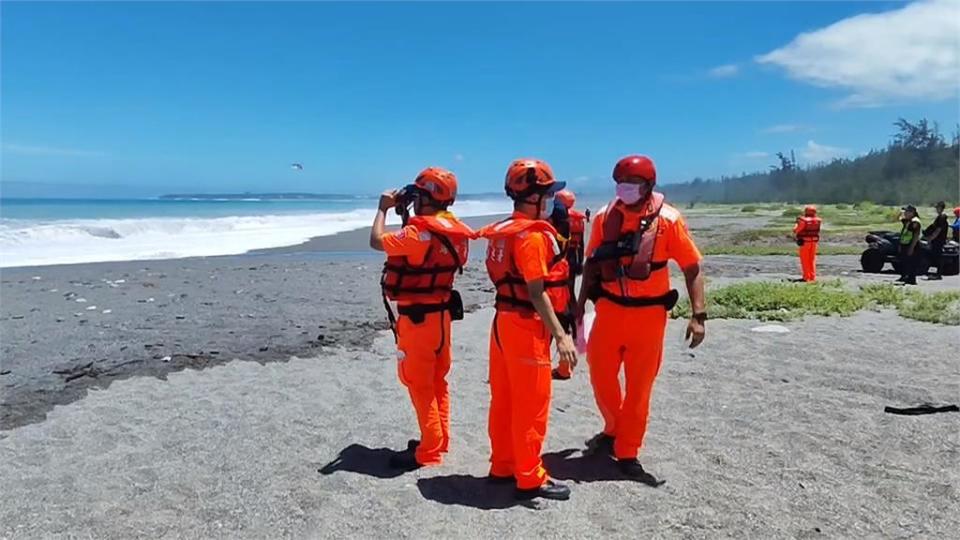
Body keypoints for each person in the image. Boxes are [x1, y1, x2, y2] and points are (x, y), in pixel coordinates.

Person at [577, 154, 706, 481]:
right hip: (608, 310)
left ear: (648, 186)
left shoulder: (669, 221)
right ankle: (613, 428)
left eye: (632, 184)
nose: (625, 189)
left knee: (639, 389)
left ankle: (628, 450)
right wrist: (578, 306)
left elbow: (691, 267)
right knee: (600, 376)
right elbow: (592, 263)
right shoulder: (605, 217)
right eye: (621, 183)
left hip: (648, 318)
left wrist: (698, 315)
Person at [478, 158, 578, 501]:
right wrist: (562, 337)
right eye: (548, 194)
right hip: (525, 326)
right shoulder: (533, 237)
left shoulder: (503, 232)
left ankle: (502, 466)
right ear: (534, 197)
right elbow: (537, 293)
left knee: (503, 399)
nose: (551, 200)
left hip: (501, 322)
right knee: (532, 404)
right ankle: (529, 477)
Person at [369, 167, 475, 470]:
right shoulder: (454, 229)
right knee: (438, 379)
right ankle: (439, 439)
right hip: (442, 317)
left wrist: (382, 209)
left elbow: (376, 241)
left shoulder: (418, 234)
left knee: (419, 383)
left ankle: (428, 449)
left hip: (418, 321)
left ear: (425, 197)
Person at [551, 189, 588, 380]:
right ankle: (577, 329)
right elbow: (580, 243)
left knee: (555, 313)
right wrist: (580, 263)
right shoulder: (577, 219)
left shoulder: (553, 219)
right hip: (571, 262)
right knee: (569, 299)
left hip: (558, 268)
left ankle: (564, 364)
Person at [792, 205, 822, 282]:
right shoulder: (818, 220)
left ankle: (806, 277)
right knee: (812, 260)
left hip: (805, 242)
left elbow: (796, 230)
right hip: (814, 242)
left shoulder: (803, 221)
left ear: (806, 212)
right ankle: (812, 277)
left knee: (805, 260)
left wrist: (796, 223)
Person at [897, 205, 922, 285]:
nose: (905, 213)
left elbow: (916, 235)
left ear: (912, 212)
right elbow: (898, 219)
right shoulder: (908, 220)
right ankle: (905, 277)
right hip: (905, 243)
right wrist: (901, 213)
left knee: (912, 263)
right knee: (905, 262)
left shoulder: (915, 222)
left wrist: (912, 247)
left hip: (912, 244)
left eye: (907, 212)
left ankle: (912, 279)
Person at [923, 201, 948, 280]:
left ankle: (938, 274)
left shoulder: (942, 218)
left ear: (941, 208)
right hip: (937, 241)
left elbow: (938, 230)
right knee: (934, 256)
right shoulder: (939, 217)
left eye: (937, 207)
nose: (936, 209)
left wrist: (930, 238)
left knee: (937, 257)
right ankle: (935, 273)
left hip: (938, 241)